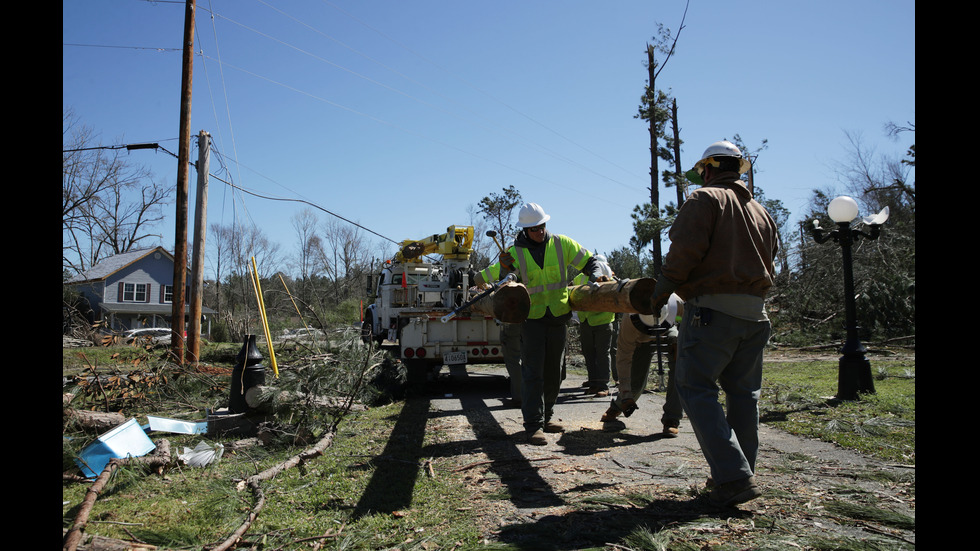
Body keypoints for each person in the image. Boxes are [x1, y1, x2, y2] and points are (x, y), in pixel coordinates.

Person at [652, 140, 780, 508]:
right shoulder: (761, 210)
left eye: (702, 172)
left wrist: (661, 291)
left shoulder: (704, 199)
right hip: (756, 316)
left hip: (712, 313)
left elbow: (683, 254)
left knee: (694, 386)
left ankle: (734, 475)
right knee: (744, 396)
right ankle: (738, 476)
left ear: (708, 169)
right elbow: (770, 262)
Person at [476, 202, 610, 446]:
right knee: (532, 372)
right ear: (525, 230)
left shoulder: (562, 243)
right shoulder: (514, 252)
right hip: (533, 319)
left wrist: (595, 274)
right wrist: (487, 275)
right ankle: (532, 425)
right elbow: (500, 273)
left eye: (542, 227)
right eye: (534, 229)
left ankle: (547, 417)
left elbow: (589, 260)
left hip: (558, 316)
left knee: (555, 373)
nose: (540, 232)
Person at [601, 294, 684, 438]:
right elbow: (623, 359)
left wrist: (683, 342)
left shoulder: (676, 302)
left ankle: (672, 419)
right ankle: (617, 408)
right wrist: (626, 393)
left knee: (681, 367)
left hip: (667, 328)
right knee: (636, 382)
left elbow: (693, 317)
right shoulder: (629, 323)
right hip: (641, 337)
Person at [571, 260, 616, 397]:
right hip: (586, 321)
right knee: (589, 353)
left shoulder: (610, 278)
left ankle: (603, 385)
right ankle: (593, 383)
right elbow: (572, 288)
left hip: (603, 321)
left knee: (602, 354)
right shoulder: (580, 277)